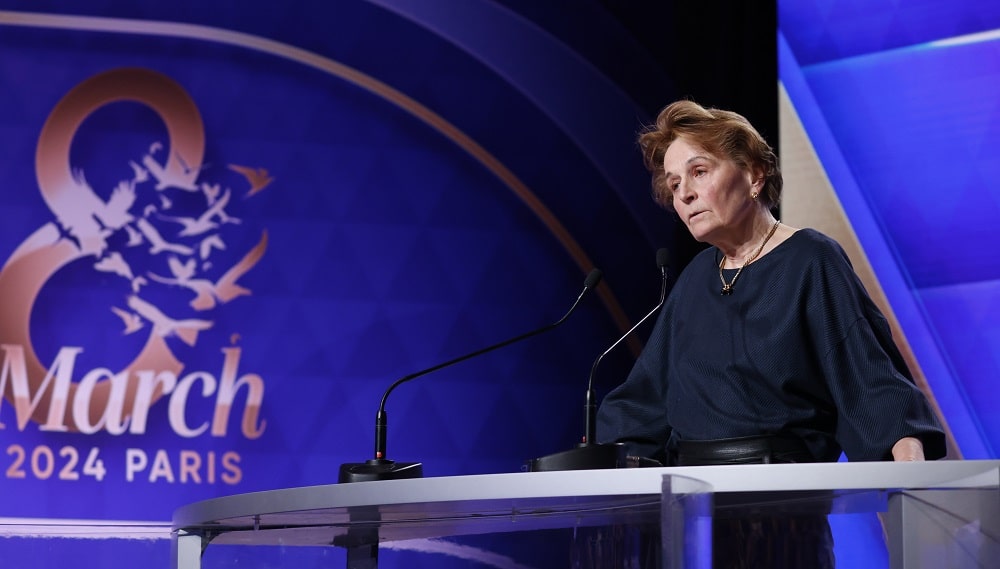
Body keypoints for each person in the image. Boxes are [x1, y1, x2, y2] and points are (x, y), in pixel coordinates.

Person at [596, 100, 947, 568]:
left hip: (780, 516)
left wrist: (912, 482)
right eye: (675, 184)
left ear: (754, 175)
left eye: (699, 172)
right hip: (690, 520)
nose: (685, 195)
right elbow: (644, 401)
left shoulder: (811, 260)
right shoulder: (695, 279)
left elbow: (869, 380)